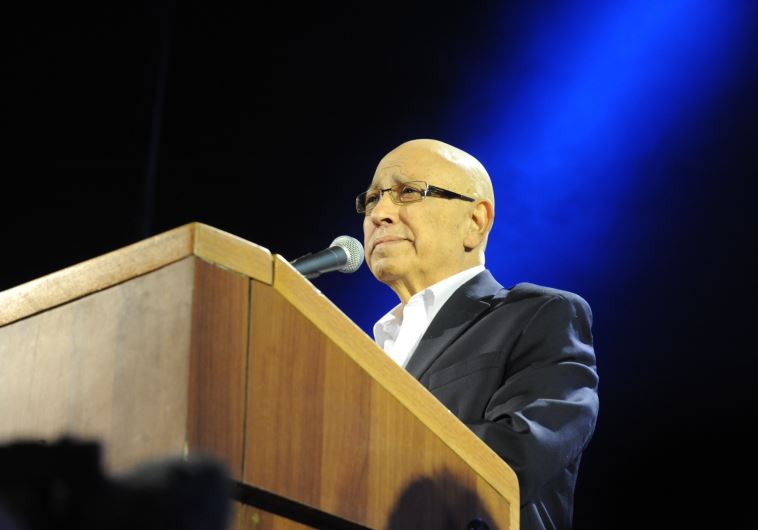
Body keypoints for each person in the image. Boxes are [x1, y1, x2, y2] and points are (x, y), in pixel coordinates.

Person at [357, 139, 599, 530]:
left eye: (408, 192)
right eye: (372, 199)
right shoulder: (361, 351)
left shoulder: (541, 315)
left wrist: (359, 457)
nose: (379, 214)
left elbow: (519, 453)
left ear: (476, 221)